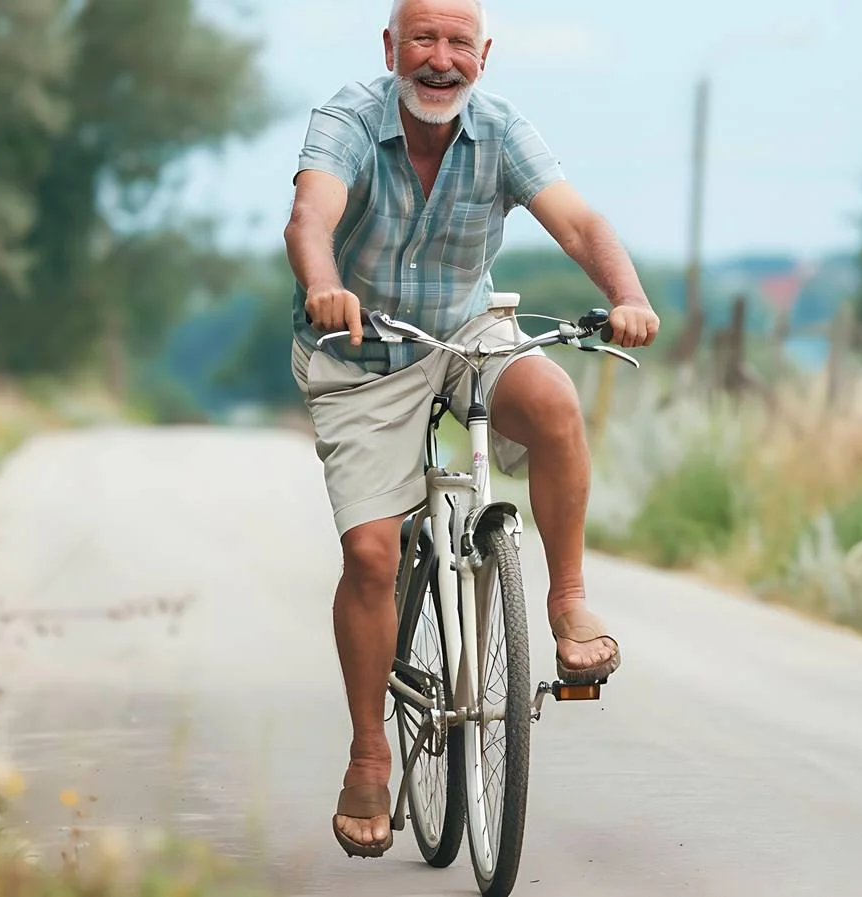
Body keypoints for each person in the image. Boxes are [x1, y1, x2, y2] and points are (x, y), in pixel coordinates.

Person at [282, 0, 661, 859]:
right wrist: (323, 283)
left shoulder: (502, 128)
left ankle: (566, 604)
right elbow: (310, 217)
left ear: (483, 55)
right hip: (363, 346)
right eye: (423, 39)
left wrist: (628, 296)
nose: (440, 59)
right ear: (391, 48)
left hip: (463, 330)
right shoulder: (348, 120)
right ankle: (370, 754)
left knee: (558, 405)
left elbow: (580, 223)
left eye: (458, 42)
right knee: (373, 554)